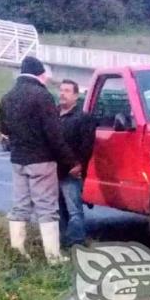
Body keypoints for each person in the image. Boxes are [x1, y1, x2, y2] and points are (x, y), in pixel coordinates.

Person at [0, 56, 82, 264]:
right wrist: (71, 162)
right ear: (39, 74)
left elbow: (4, 129)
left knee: (20, 206)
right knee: (46, 208)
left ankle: (18, 250)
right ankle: (53, 256)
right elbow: (54, 135)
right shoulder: (42, 96)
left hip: (18, 160)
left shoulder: (7, 97)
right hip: (41, 160)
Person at [57, 79, 95, 247]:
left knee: (74, 211)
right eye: (61, 90)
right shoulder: (53, 115)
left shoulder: (83, 118)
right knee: (59, 210)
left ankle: (76, 243)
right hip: (54, 171)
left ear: (75, 95)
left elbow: (87, 144)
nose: (62, 94)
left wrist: (79, 165)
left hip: (72, 172)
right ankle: (62, 241)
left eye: (66, 91)